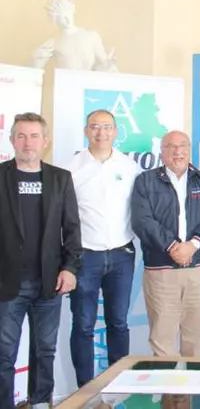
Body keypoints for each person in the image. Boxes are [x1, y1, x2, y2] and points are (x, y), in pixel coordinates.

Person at [0, 113, 82, 409]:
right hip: (7, 283)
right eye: (21, 136)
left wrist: (71, 269)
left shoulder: (60, 178)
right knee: (4, 354)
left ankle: (38, 403)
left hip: (49, 282)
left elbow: (72, 229)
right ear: (12, 140)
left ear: (45, 141)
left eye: (34, 136)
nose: (28, 142)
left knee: (44, 351)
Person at [66, 110, 142, 387]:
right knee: (83, 326)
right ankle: (84, 389)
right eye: (95, 127)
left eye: (107, 127)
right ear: (87, 131)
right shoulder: (72, 168)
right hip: (85, 257)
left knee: (119, 323)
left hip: (122, 256)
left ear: (115, 131)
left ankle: (117, 384)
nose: (101, 133)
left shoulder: (129, 166)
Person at [131, 130, 200, 357]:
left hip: (198, 269)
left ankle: (191, 392)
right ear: (162, 152)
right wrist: (172, 246)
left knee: (195, 337)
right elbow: (142, 221)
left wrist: (192, 245)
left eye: (182, 145)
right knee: (162, 339)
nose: (177, 151)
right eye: (171, 146)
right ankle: (168, 393)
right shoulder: (146, 181)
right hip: (162, 270)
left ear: (189, 149)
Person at [32, 0, 117, 72]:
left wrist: (108, 66)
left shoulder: (91, 36)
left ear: (72, 12)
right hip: (67, 85)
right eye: (62, 17)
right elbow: (35, 69)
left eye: (68, 14)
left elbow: (105, 64)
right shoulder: (54, 42)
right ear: (55, 20)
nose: (67, 19)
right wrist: (37, 57)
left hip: (88, 84)